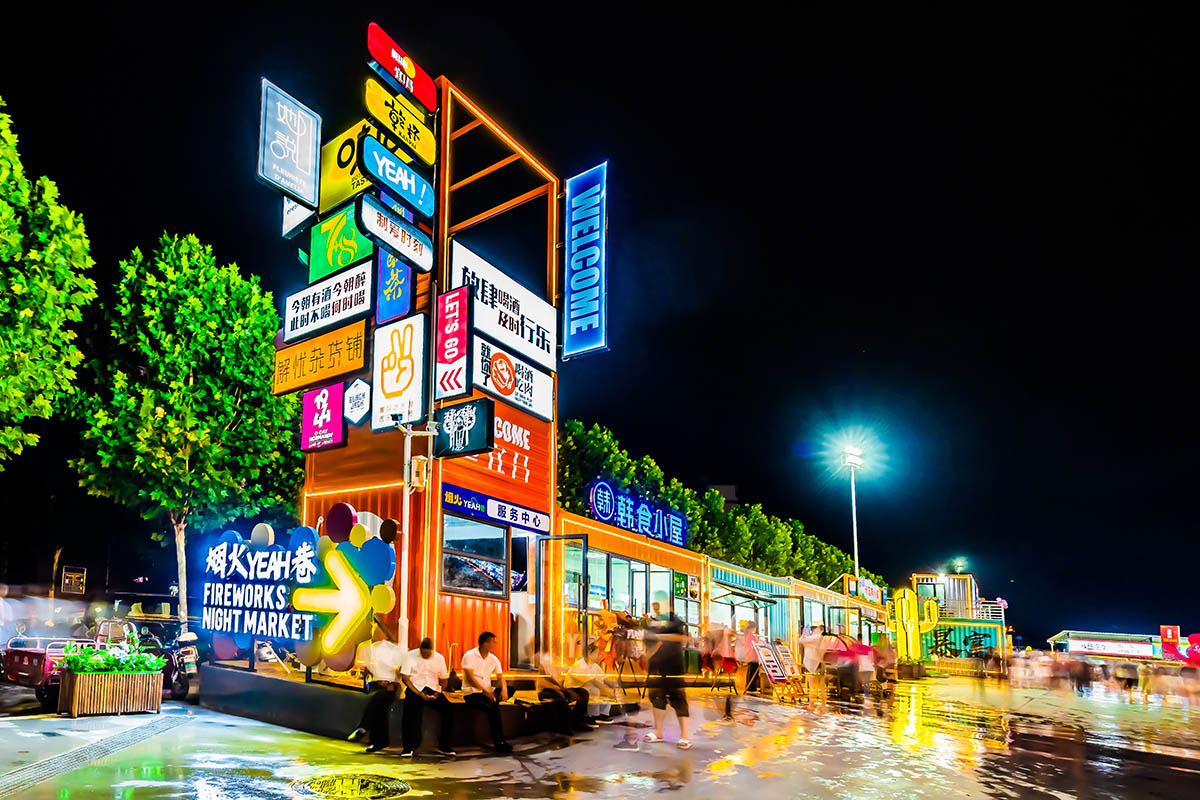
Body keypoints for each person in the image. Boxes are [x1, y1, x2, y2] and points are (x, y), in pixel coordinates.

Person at [643, 591, 691, 749]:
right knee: (657, 699)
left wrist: (660, 638)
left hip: (673, 668)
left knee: (679, 700)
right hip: (656, 668)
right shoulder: (652, 623)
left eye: (658, 603)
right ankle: (658, 732)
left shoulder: (676, 621)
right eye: (654, 604)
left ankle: (685, 736)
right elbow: (648, 643)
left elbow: (682, 638)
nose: (656, 607)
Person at [399, 637, 456, 758]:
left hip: (432, 689)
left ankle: (444, 745)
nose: (425, 655)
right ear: (420, 649)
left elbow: (444, 680)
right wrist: (419, 693)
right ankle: (408, 746)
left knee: (448, 709)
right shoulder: (410, 656)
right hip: (415, 688)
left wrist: (437, 693)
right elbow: (405, 678)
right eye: (423, 653)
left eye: (428, 653)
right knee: (409, 713)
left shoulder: (439, 658)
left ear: (432, 650)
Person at [348, 637, 406, 752]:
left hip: (391, 685)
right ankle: (378, 741)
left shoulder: (396, 650)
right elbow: (367, 668)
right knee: (380, 709)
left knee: (378, 700)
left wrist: (392, 682)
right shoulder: (371, 648)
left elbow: (401, 671)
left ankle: (364, 728)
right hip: (377, 683)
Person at [462, 631, 512, 753]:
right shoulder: (470, 655)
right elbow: (470, 677)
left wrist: (504, 690)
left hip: (487, 692)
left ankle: (494, 700)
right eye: (493, 642)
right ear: (485, 643)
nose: (496, 645)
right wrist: (485, 692)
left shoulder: (493, 659)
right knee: (493, 708)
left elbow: (500, 677)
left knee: (510, 689)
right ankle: (499, 742)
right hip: (473, 693)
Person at [537, 647, 597, 734]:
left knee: (583, 692)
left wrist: (566, 690)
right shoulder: (542, 662)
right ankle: (563, 726)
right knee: (559, 698)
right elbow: (549, 680)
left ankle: (578, 721)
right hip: (545, 691)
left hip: (558, 689)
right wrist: (564, 691)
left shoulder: (554, 662)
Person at [799, 624, 828, 712]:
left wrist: (804, 632)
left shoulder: (816, 638)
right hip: (820, 663)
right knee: (822, 686)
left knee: (812, 685)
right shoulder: (822, 639)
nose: (812, 630)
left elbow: (801, 640)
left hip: (813, 664)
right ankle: (823, 706)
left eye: (814, 628)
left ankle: (811, 705)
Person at [742, 621, 761, 695]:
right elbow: (753, 645)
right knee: (753, 673)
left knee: (750, 672)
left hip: (749, 656)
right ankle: (752, 688)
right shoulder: (751, 636)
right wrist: (757, 642)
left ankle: (748, 687)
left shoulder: (746, 635)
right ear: (753, 627)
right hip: (753, 656)